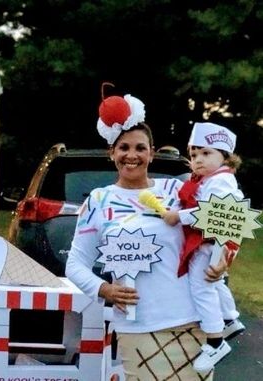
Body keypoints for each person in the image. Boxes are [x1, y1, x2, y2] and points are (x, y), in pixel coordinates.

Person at [65, 92, 227, 380]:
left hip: (190, 321)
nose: (132, 155)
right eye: (123, 148)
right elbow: (75, 265)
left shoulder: (177, 192)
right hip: (136, 326)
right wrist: (106, 290)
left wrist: (224, 258)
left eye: (140, 148)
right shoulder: (98, 201)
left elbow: (220, 223)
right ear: (111, 153)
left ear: (151, 153)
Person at [162, 122, 245, 373]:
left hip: (210, 244)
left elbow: (211, 212)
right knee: (214, 284)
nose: (198, 160)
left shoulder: (221, 182)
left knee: (201, 288)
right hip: (211, 243)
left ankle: (215, 341)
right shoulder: (213, 179)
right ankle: (229, 318)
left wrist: (179, 216)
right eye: (194, 154)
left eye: (206, 153)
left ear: (226, 157)